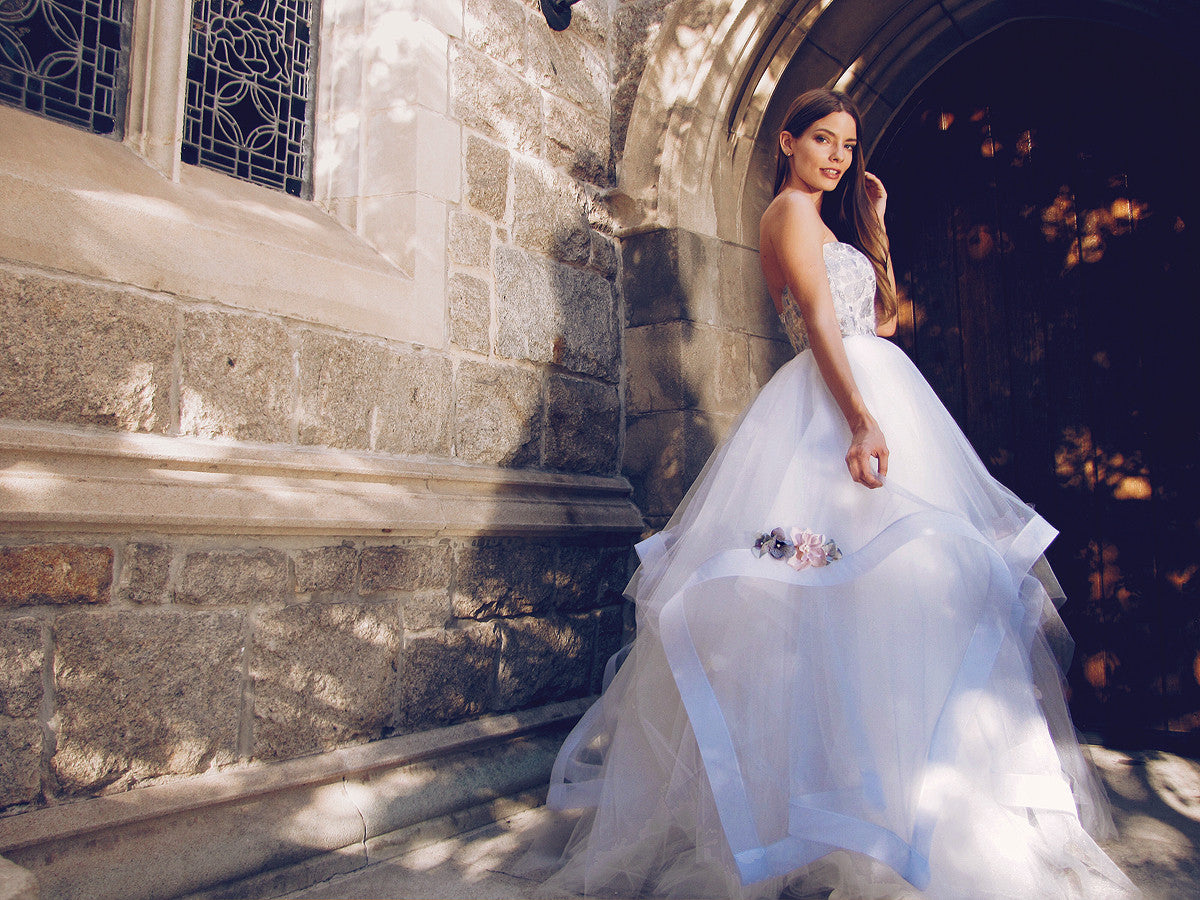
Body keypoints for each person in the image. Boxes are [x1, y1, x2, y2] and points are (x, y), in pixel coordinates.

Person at [534, 89, 1139, 899]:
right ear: (787, 141)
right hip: (831, 413)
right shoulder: (787, 213)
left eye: (847, 145)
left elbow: (883, 321)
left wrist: (878, 228)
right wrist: (860, 421)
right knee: (812, 592)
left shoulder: (836, 224)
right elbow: (821, 323)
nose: (835, 155)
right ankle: (810, 818)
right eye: (822, 138)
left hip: (875, 393)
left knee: (901, 598)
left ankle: (892, 805)